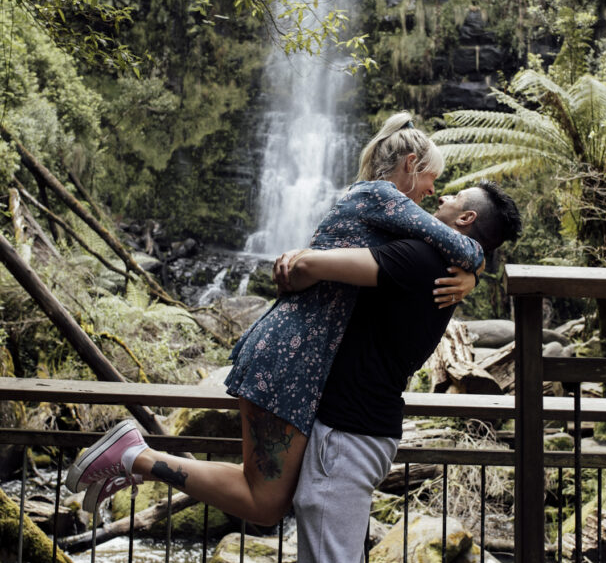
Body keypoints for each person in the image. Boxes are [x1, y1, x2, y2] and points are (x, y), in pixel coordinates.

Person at [66, 113, 483, 520]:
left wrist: (471, 277)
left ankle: (133, 461)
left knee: (266, 497)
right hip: (291, 355)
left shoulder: (373, 202)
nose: (433, 191)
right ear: (410, 164)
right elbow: (463, 246)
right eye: (431, 178)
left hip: (294, 354)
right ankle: (136, 456)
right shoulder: (382, 195)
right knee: (264, 501)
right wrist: (474, 272)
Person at [275, 182, 522, 563]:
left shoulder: (421, 258)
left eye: (454, 197)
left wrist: (293, 265)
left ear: (466, 219)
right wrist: (477, 269)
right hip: (369, 429)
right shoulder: (443, 263)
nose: (440, 197)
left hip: (346, 431)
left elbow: (306, 267)